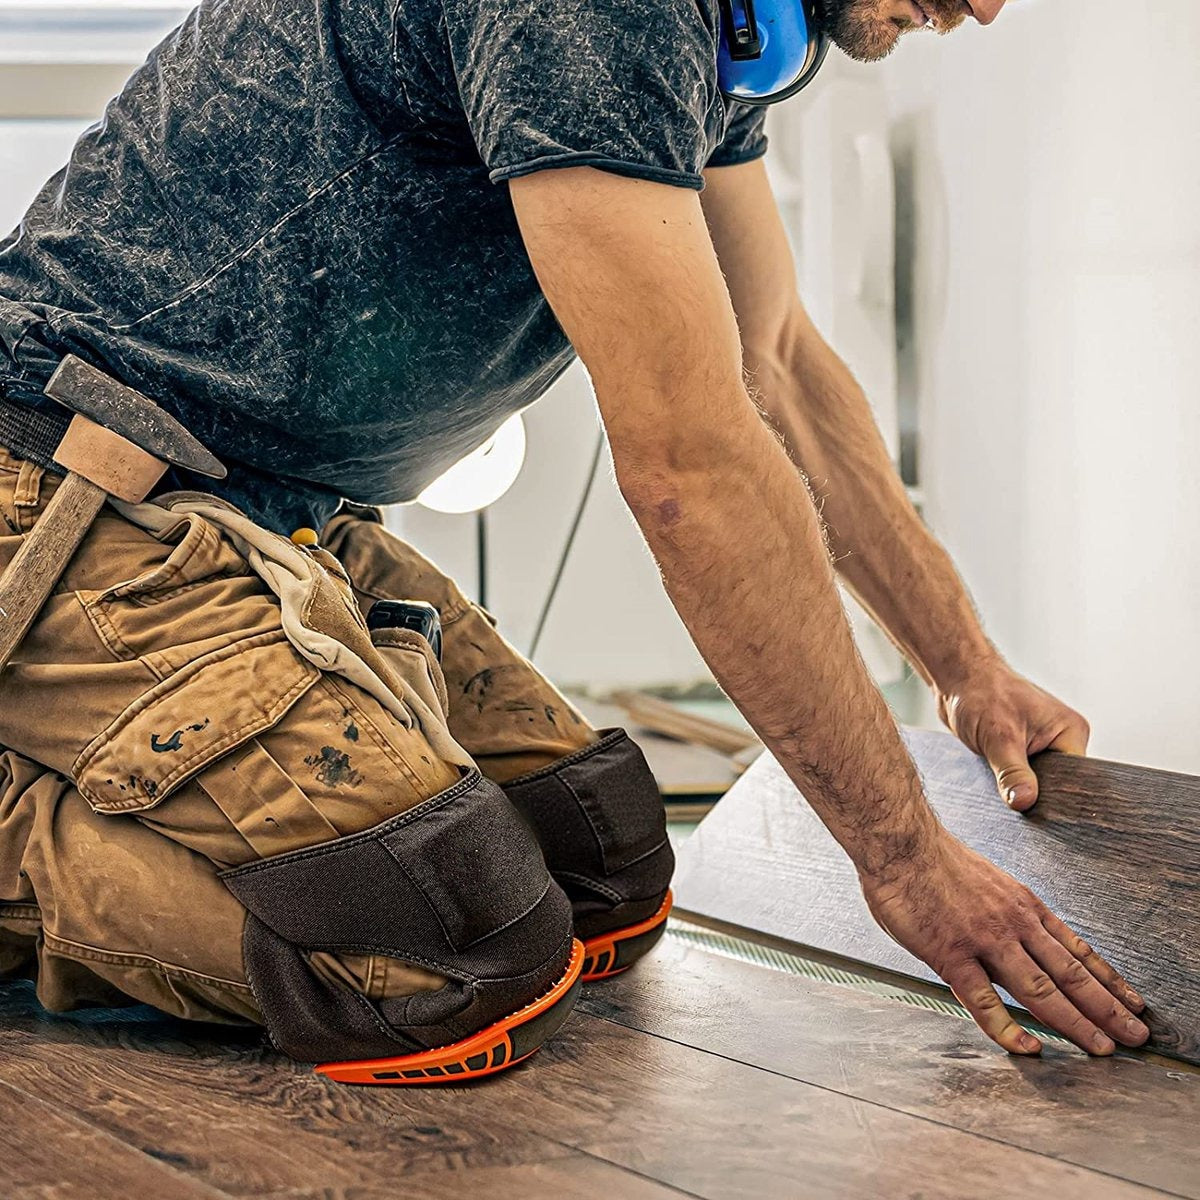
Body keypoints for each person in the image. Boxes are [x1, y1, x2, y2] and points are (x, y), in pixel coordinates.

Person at [0, 0, 1149, 1082]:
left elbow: (777, 363)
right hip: (62, 490)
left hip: (280, 515)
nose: (990, 9)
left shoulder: (716, 34)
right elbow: (693, 469)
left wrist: (967, 672)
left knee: (602, 871)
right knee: (448, 964)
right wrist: (906, 862)